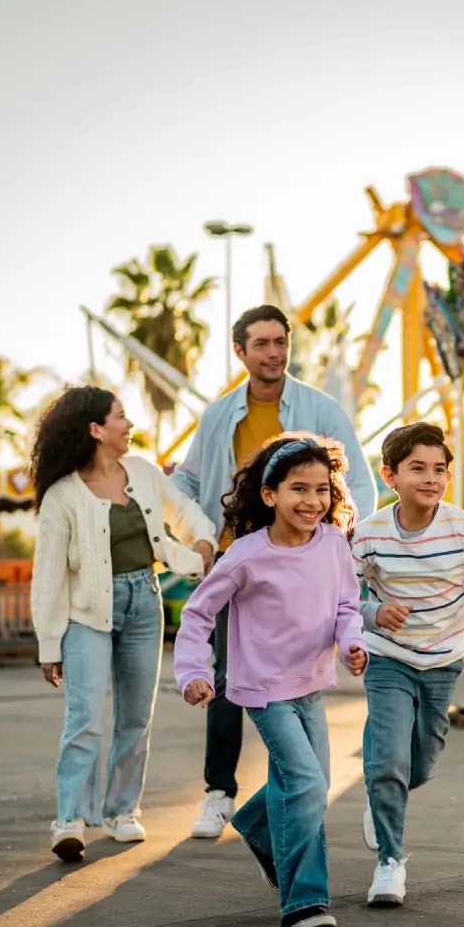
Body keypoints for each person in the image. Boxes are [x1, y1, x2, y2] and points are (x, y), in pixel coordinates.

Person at [171, 304, 377, 839]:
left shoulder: (320, 407)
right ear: (240, 351)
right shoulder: (219, 415)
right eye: (260, 343)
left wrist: (343, 549)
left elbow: (359, 483)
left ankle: (275, 806)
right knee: (224, 678)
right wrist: (194, 537)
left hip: (301, 561)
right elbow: (187, 483)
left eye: (279, 342)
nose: (272, 353)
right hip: (236, 559)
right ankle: (219, 792)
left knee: (299, 686)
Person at [174, 433, 368, 927]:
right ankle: (302, 904)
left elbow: (348, 606)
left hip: (310, 685)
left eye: (323, 490)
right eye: (298, 489)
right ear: (269, 495)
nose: (312, 501)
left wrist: (352, 644)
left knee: (313, 784)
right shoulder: (245, 555)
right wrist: (193, 672)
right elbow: (197, 614)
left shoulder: (332, 545)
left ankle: (259, 825)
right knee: (305, 786)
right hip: (261, 690)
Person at [30, 387, 216, 863]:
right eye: (121, 417)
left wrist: (202, 541)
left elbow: (182, 509)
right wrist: (49, 643)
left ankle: (121, 811)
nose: (129, 424)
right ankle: (69, 818)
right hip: (87, 614)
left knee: (136, 717)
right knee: (85, 720)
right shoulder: (62, 496)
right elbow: (48, 576)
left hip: (144, 603)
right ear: (96, 430)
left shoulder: (145, 474)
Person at [351, 422, 464, 907]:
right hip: (388, 659)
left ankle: (379, 791)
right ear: (390, 475)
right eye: (418, 468)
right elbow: (340, 595)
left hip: (443, 663)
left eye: (440, 470)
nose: (431, 478)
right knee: (389, 759)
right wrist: (371, 613)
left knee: (422, 767)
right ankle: (390, 862)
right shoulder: (368, 534)